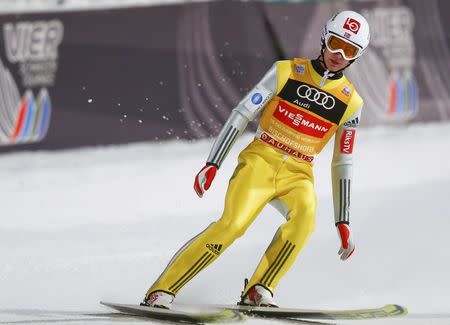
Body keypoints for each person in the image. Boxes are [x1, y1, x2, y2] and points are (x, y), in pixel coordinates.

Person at [142, 10, 370, 309]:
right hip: (261, 160)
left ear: (358, 56)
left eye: (350, 50)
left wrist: (343, 220)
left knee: (305, 219)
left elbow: (343, 161)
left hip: (299, 173)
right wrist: (213, 163)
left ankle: (259, 289)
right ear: (324, 38)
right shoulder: (286, 72)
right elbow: (242, 113)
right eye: (336, 44)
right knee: (233, 225)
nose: (339, 54)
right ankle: (162, 290)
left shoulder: (351, 103)